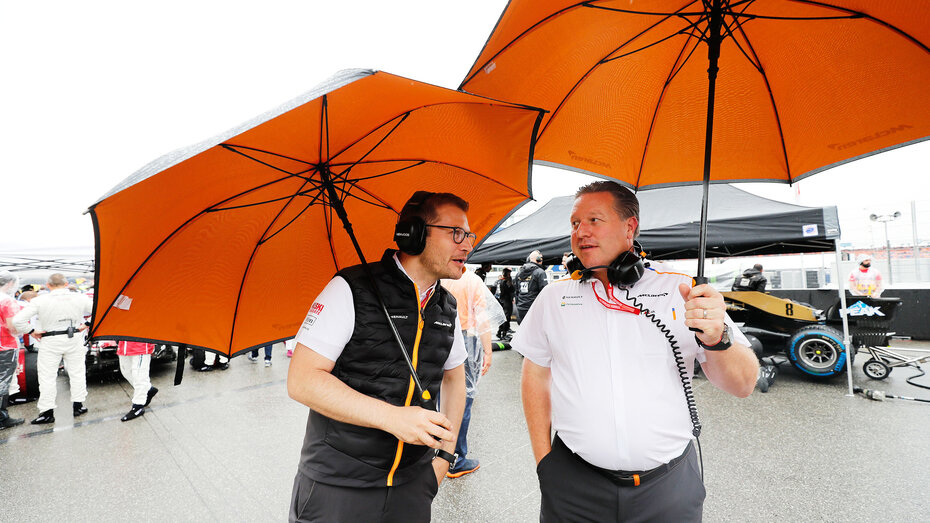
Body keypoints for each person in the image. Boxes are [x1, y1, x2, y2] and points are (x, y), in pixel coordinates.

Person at [514, 181, 759, 522]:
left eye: (594, 220)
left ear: (630, 228)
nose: (580, 232)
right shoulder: (554, 297)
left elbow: (744, 384)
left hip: (668, 487)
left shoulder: (682, 289)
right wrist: (544, 461)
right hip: (572, 485)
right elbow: (535, 373)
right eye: (574, 223)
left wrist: (718, 339)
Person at [286, 191, 469, 522]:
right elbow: (302, 381)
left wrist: (444, 457)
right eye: (456, 233)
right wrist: (393, 418)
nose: (467, 245)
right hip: (338, 487)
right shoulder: (350, 288)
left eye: (469, 235)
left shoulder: (447, 306)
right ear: (414, 234)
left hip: (413, 487)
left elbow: (456, 377)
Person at [440, 270, 505, 478]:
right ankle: (456, 458)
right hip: (465, 339)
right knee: (462, 399)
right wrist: (488, 351)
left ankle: (438, 452)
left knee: (442, 397)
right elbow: (482, 317)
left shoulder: (441, 277)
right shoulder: (471, 281)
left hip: (439, 336)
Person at [12, 273, 94, 425]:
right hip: (74, 337)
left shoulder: (39, 300)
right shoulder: (79, 297)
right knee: (77, 372)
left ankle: (47, 412)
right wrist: (87, 324)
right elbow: (99, 310)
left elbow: (18, 320)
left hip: (50, 339)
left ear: (48, 285)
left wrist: (31, 331)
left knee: (47, 376)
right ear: (66, 284)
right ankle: (78, 405)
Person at [0, 271, 25, 429]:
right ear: (9, 283)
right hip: (5, 346)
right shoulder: (7, 301)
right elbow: (12, 326)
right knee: (3, 382)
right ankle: (2, 417)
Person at [116, 340, 159, 422]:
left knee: (139, 376)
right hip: (124, 344)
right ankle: (148, 389)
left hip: (141, 344)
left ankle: (138, 406)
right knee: (126, 371)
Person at [514, 249, 548, 323]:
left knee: (523, 329)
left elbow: (516, 291)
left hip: (521, 308)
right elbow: (544, 291)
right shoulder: (540, 272)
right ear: (538, 259)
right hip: (534, 308)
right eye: (541, 258)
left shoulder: (519, 273)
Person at [496, 267, 515, 339]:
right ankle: (504, 333)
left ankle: (499, 331)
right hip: (506, 300)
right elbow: (511, 290)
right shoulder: (506, 282)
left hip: (500, 300)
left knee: (502, 317)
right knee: (506, 317)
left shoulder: (498, 281)